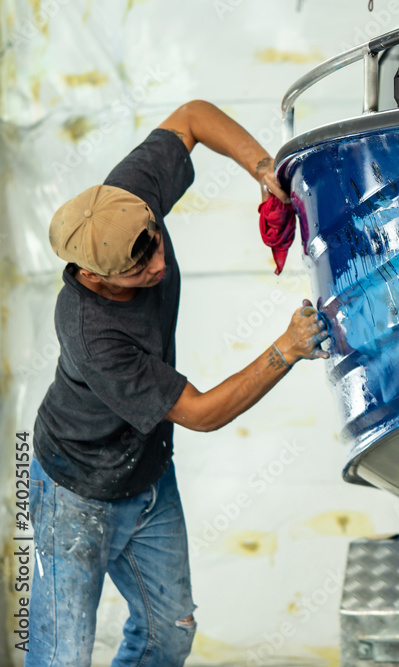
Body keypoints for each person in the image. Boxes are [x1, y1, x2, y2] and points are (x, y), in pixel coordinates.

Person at [27, 100, 329, 666]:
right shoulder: (94, 334)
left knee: (170, 635)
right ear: (93, 275)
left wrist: (262, 167)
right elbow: (200, 413)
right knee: (61, 658)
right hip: (74, 492)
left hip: (144, 474)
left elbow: (191, 117)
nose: (158, 265)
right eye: (138, 270)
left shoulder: (122, 206)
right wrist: (284, 351)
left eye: (158, 243)